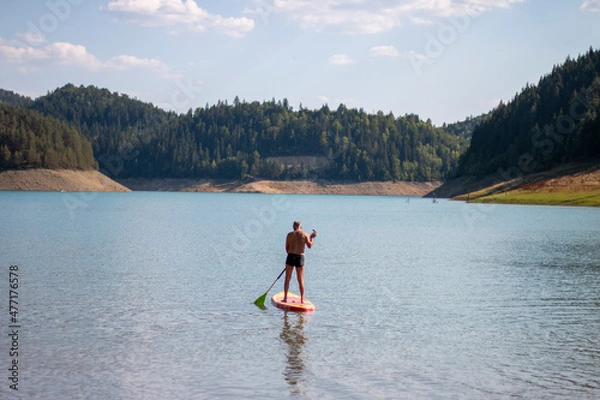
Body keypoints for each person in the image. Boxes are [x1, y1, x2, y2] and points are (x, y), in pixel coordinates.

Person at [283, 220, 317, 304]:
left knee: (287, 279)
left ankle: (285, 298)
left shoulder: (289, 235)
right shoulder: (304, 234)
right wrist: (312, 237)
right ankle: (302, 299)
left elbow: (287, 249)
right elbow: (309, 245)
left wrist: (291, 255)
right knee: (300, 279)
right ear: (300, 227)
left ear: (293, 227)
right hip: (300, 257)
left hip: (290, 256)